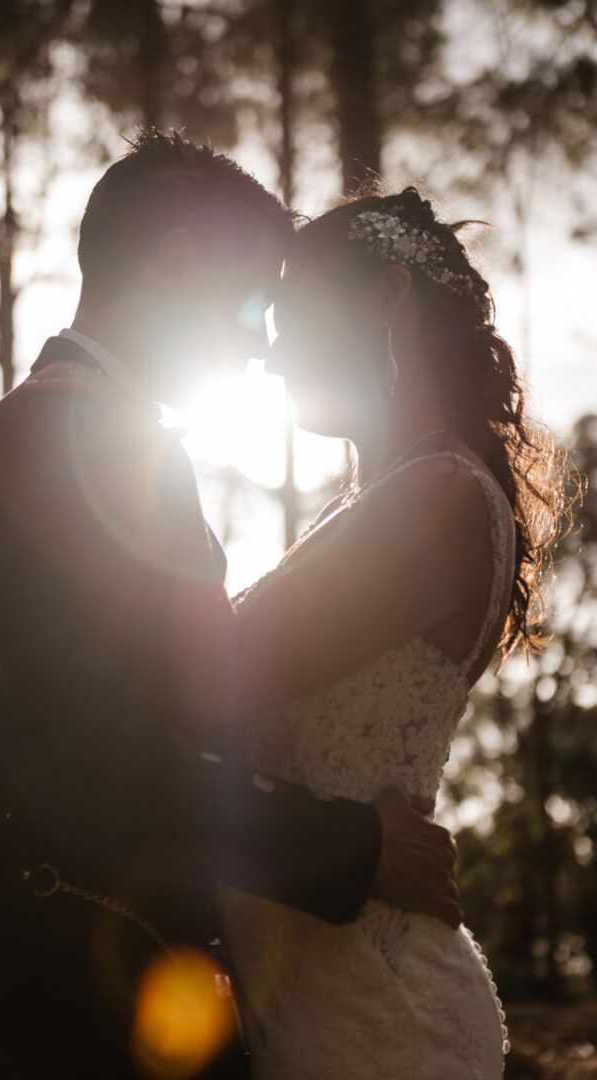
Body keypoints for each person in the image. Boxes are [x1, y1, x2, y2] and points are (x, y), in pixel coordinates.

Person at [0, 135, 459, 1079]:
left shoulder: (78, 428)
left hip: (60, 977)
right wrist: (352, 847)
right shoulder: (81, 439)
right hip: (60, 1006)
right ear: (180, 261)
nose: (256, 341)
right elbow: (97, 759)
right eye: (250, 300)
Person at [216, 187, 568, 1079]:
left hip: (379, 1019)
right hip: (309, 998)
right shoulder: (391, 501)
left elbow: (207, 678)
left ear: (385, 299)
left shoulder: (436, 501)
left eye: (291, 315)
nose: (270, 353)